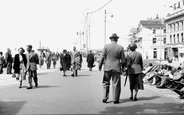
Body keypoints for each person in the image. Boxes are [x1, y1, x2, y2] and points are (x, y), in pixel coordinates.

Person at [99, 33, 125, 104]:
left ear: (111, 39)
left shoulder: (106, 46)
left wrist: (100, 66)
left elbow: (102, 57)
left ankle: (105, 97)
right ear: (117, 39)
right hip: (116, 68)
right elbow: (123, 60)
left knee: (105, 82)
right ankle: (116, 99)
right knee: (116, 84)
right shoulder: (121, 47)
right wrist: (123, 68)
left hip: (107, 67)